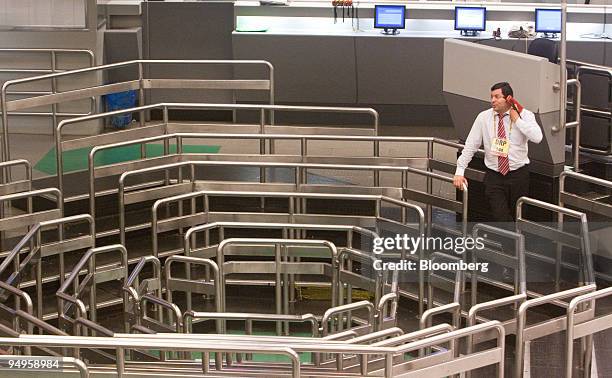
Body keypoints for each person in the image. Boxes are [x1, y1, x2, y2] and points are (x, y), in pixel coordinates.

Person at [453, 82, 543, 223]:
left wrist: (517, 121)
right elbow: (471, 145)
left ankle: (515, 243)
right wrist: (460, 170)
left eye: (497, 96)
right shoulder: (483, 117)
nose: (492, 100)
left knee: (519, 216)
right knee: (499, 215)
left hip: (518, 175)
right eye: (491, 97)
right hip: (494, 175)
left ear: (508, 98)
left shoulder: (525, 115)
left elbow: (537, 137)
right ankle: (509, 243)